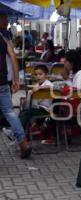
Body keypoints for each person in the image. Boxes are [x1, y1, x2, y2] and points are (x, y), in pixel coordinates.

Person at [0, 31, 32, 159]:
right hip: (2, 81)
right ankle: (23, 144)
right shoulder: (3, 38)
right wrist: (16, 79)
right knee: (9, 112)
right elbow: (13, 56)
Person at [19, 65, 53, 130]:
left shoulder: (48, 83)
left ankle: (18, 133)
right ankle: (20, 131)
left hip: (45, 109)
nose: (38, 76)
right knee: (23, 111)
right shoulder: (36, 85)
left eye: (40, 74)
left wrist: (40, 88)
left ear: (46, 75)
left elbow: (51, 87)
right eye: (36, 74)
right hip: (37, 108)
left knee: (25, 113)